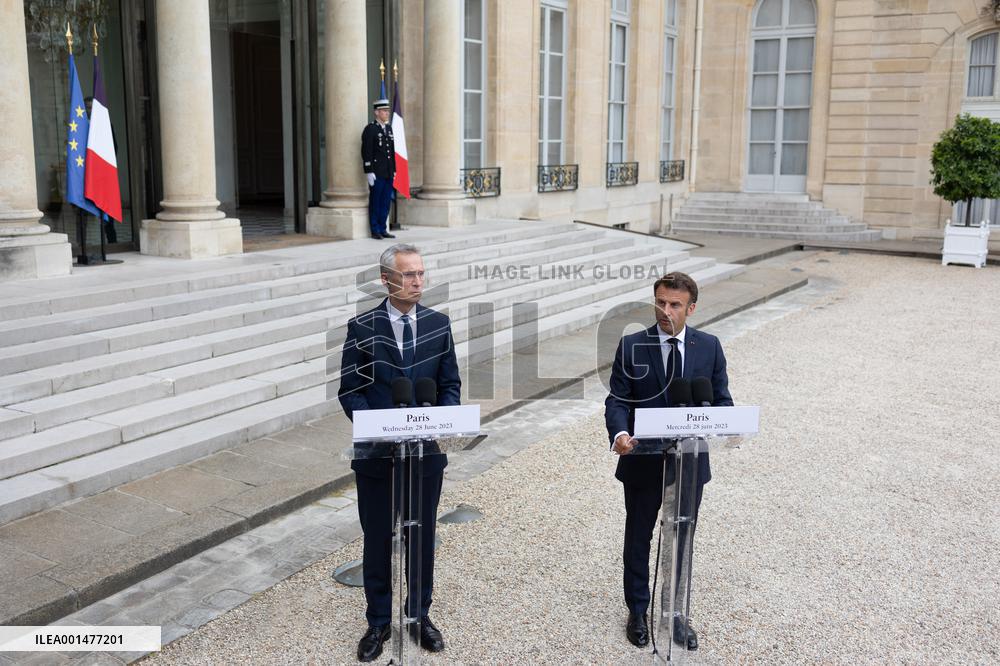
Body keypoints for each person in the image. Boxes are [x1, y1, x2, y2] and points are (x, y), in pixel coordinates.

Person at [338, 244, 461, 662]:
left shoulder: (439, 325)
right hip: (377, 457)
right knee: (377, 539)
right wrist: (382, 428)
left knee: (421, 539)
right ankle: (377, 621)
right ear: (386, 279)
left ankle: (418, 616)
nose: (417, 282)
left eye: (421, 274)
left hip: (425, 457)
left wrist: (442, 420)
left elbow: (450, 385)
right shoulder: (361, 327)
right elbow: (350, 391)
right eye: (409, 275)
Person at [604, 272, 733, 652]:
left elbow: (722, 401)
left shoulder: (709, 347)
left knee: (681, 540)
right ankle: (637, 612)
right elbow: (618, 399)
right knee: (638, 538)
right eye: (660, 302)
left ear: (691, 309)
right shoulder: (632, 345)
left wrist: (725, 426)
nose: (665, 310)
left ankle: (675, 614)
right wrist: (619, 433)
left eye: (675, 304)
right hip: (642, 462)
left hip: (689, 465)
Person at [361, 96, 397, 240]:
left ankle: (383, 228)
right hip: (376, 173)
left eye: (387, 111)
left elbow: (391, 151)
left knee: (385, 202)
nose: (387, 113)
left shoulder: (388, 128)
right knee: (376, 201)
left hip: (388, 172)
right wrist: (368, 170)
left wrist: (394, 169)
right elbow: (366, 151)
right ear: (376, 112)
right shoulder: (370, 129)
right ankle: (375, 229)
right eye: (384, 111)